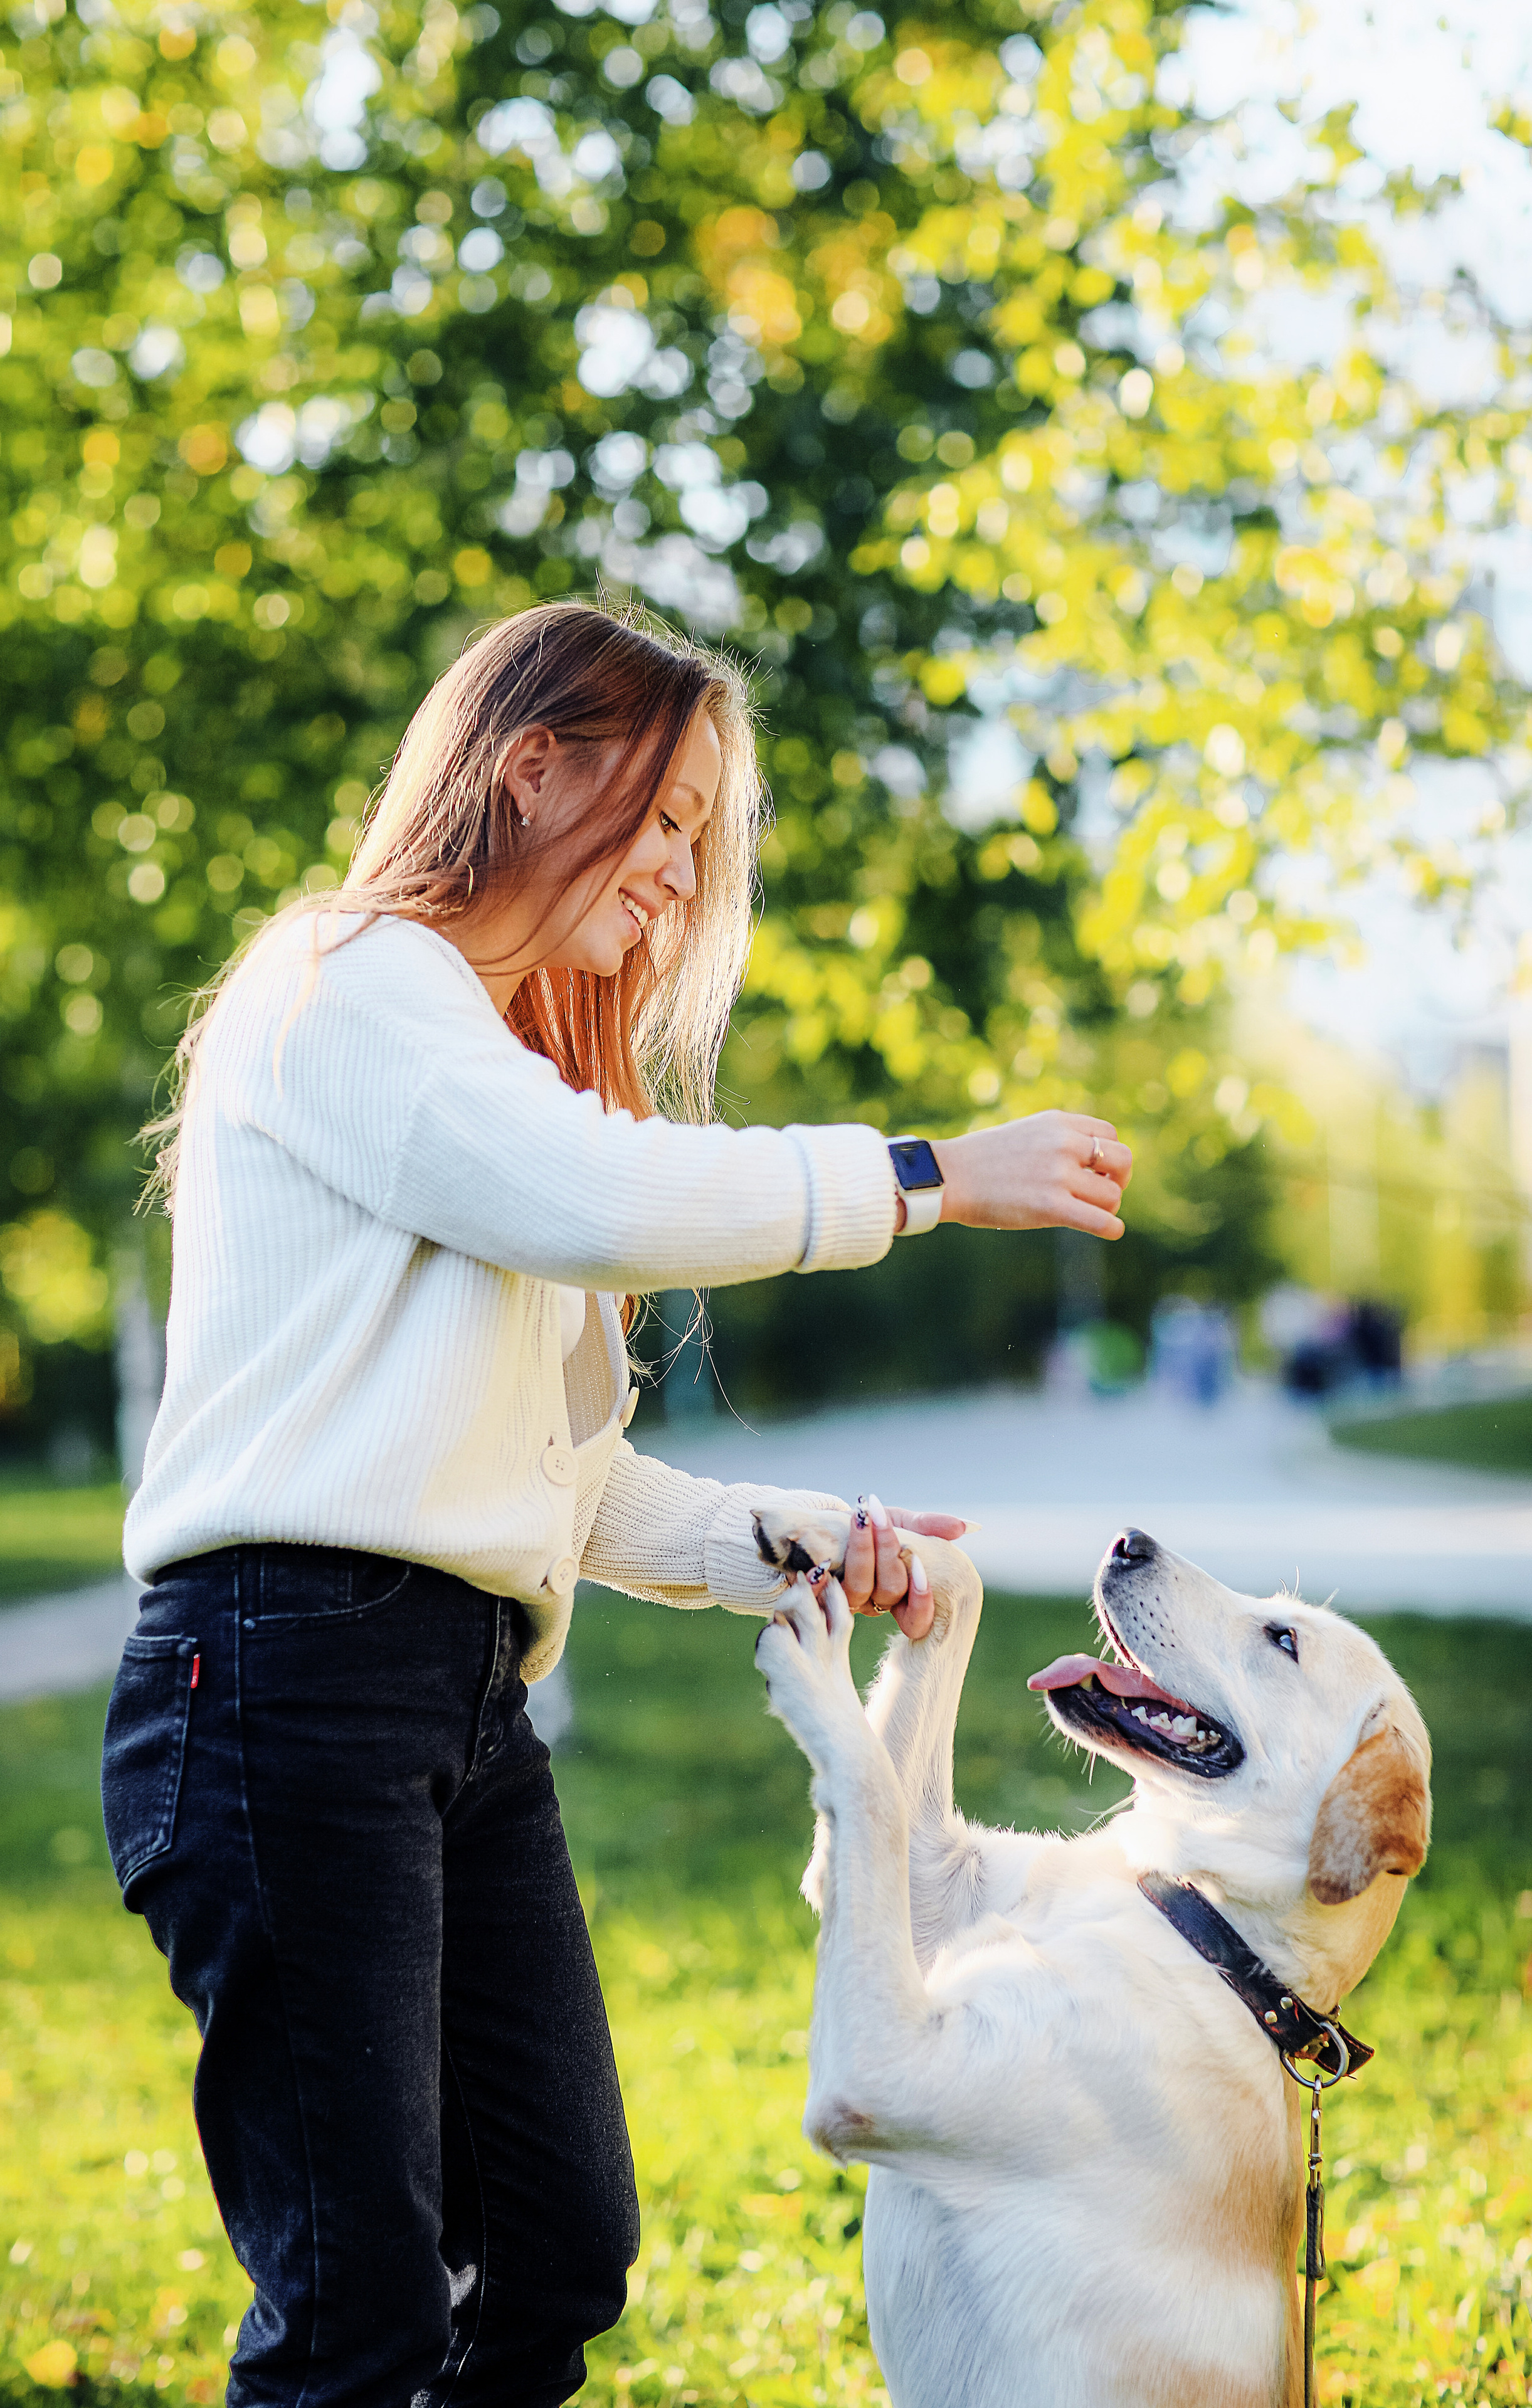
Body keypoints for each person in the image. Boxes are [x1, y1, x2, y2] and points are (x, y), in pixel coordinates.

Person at [102, 599, 1132, 2408]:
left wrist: (804, 1550)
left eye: (700, 842)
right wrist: (927, 1176)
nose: (679, 875)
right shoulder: (347, 984)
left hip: (455, 1699)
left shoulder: (489, 1085)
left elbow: (569, 1493)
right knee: (357, 2312)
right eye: (662, 821)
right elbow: (597, 1196)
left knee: (560, 2244)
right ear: (531, 764)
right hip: (280, 1685)